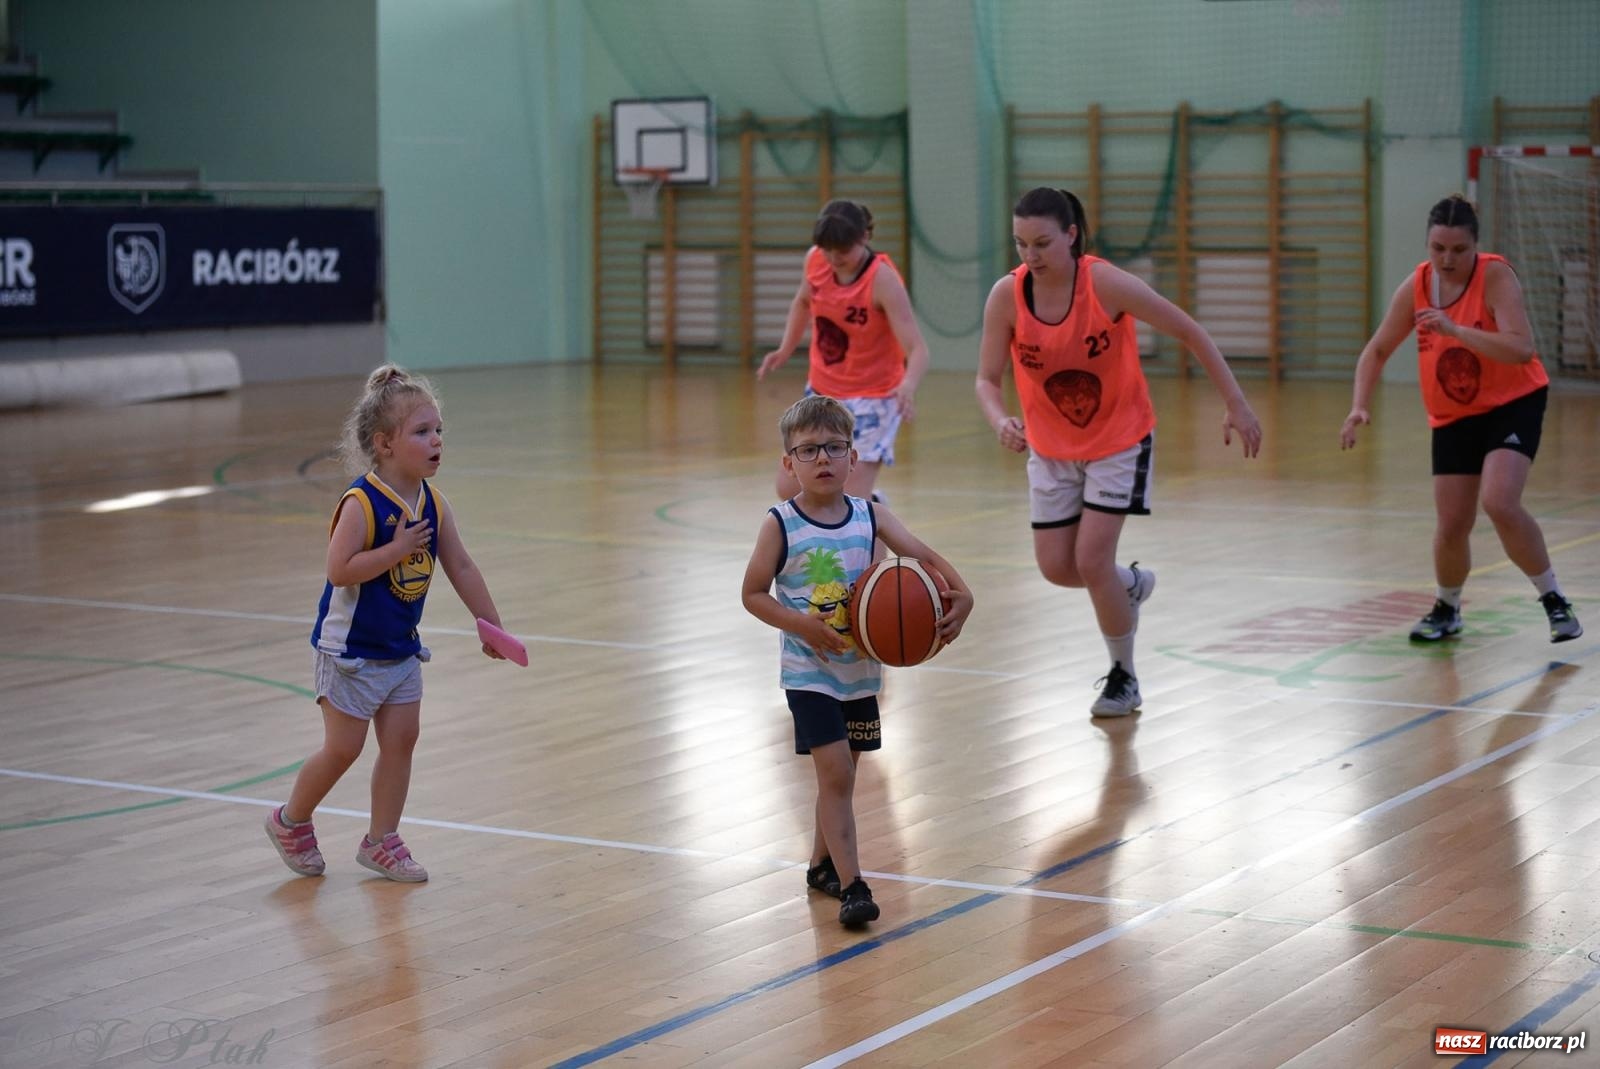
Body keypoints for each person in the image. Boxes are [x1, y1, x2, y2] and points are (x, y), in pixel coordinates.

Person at [975, 187, 1261, 718]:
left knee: (1091, 560)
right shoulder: (1006, 296)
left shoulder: (1104, 284)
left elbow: (1190, 331)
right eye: (1020, 244)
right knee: (1057, 568)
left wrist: (1236, 403)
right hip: (1051, 449)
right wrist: (1000, 421)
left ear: (1071, 235)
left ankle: (1123, 677)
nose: (1031, 255)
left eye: (1042, 243)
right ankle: (1129, 585)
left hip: (1118, 442)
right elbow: (987, 380)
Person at [264, 365, 510, 883]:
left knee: (401, 741)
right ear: (384, 444)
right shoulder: (361, 503)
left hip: (399, 648)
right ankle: (291, 821)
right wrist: (396, 550)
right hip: (349, 652)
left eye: (439, 429)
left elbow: (461, 565)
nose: (436, 440)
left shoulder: (434, 504)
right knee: (344, 748)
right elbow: (339, 570)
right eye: (422, 431)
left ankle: (381, 840)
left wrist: (491, 623)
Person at [741, 395, 972, 928]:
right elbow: (752, 594)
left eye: (834, 447)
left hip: (862, 672)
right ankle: (854, 887)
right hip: (809, 674)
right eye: (808, 450)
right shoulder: (781, 524)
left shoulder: (871, 516)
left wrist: (964, 593)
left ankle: (821, 865)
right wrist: (800, 624)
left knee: (839, 780)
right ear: (788, 463)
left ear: (853, 456)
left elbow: (924, 557)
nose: (822, 458)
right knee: (838, 774)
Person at [1340, 194, 1581, 644]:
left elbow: (1521, 348)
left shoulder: (1495, 276)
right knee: (1452, 523)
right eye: (1438, 249)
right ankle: (1447, 608)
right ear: (1427, 245)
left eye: (1458, 250)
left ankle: (1554, 600)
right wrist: (1359, 405)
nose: (1447, 259)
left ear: (1475, 246)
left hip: (1513, 401)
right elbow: (1377, 350)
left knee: (1499, 501)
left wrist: (1456, 331)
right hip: (1453, 413)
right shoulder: (1417, 286)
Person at [757, 200, 931, 504]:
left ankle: (869, 514)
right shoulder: (816, 260)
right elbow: (803, 301)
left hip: (873, 398)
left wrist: (907, 386)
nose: (834, 258)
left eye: (843, 251)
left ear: (864, 237)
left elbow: (918, 348)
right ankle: (874, 505)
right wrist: (786, 348)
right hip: (823, 391)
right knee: (790, 486)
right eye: (827, 250)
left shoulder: (882, 280)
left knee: (846, 499)